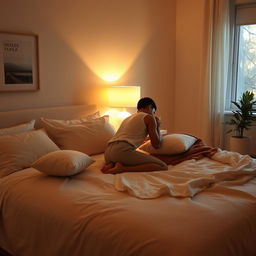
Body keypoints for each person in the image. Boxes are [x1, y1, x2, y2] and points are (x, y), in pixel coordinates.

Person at [102, 97, 168, 174]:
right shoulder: (149, 117)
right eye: (154, 112)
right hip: (121, 151)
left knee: (121, 156)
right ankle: (122, 168)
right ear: (150, 107)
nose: (153, 115)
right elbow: (156, 144)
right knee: (163, 166)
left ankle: (111, 164)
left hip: (107, 153)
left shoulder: (128, 118)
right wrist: (158, 125)